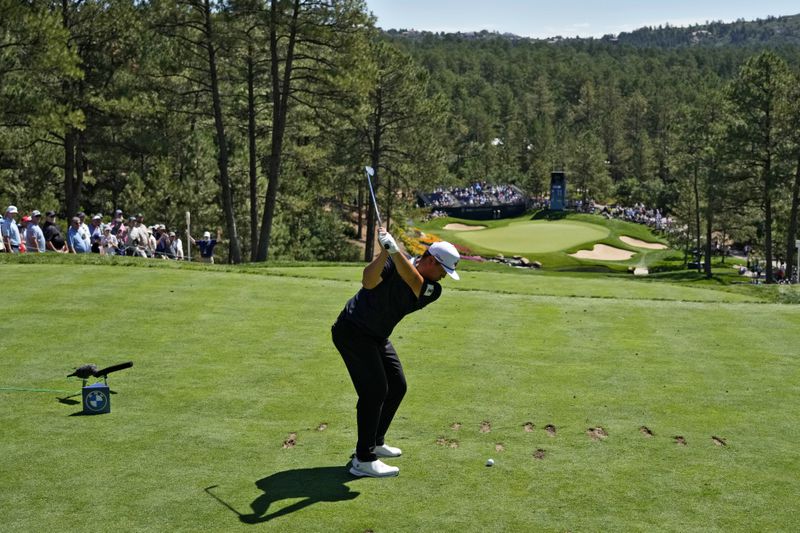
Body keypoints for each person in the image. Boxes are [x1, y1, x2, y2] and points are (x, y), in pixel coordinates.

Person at [331, 228, 460, 478]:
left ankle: (376, 442)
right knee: (375, 390)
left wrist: (394, 251)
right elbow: (367, 282)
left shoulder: (432, 288)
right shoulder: (392, 261)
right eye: (443, 270)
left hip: (377, 336)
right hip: (352, 330)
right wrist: (383, 253)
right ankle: (363, 459)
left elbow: (413, 281)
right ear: (431, 260)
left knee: (397, 386)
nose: (444, 276)